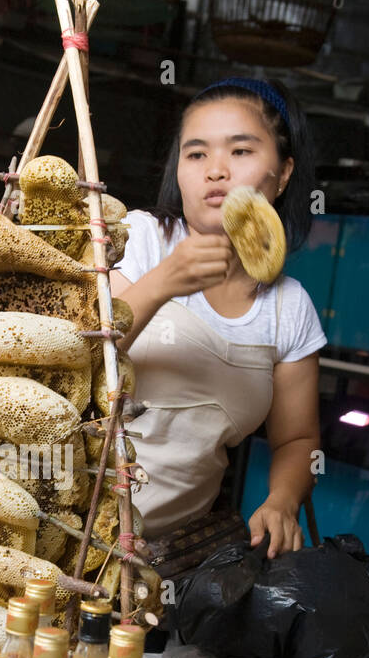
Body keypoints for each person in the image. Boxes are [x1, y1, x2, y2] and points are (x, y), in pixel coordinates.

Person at [111, 77, 326, 559]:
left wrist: (282, 502)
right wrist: (164, 281)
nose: (216, 171)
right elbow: (75, 354)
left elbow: (297, 438)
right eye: (197, 154)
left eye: (241, 151)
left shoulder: (289, 307)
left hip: (173, 556)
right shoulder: (141, 241)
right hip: (73, 520)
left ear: (284, 173)